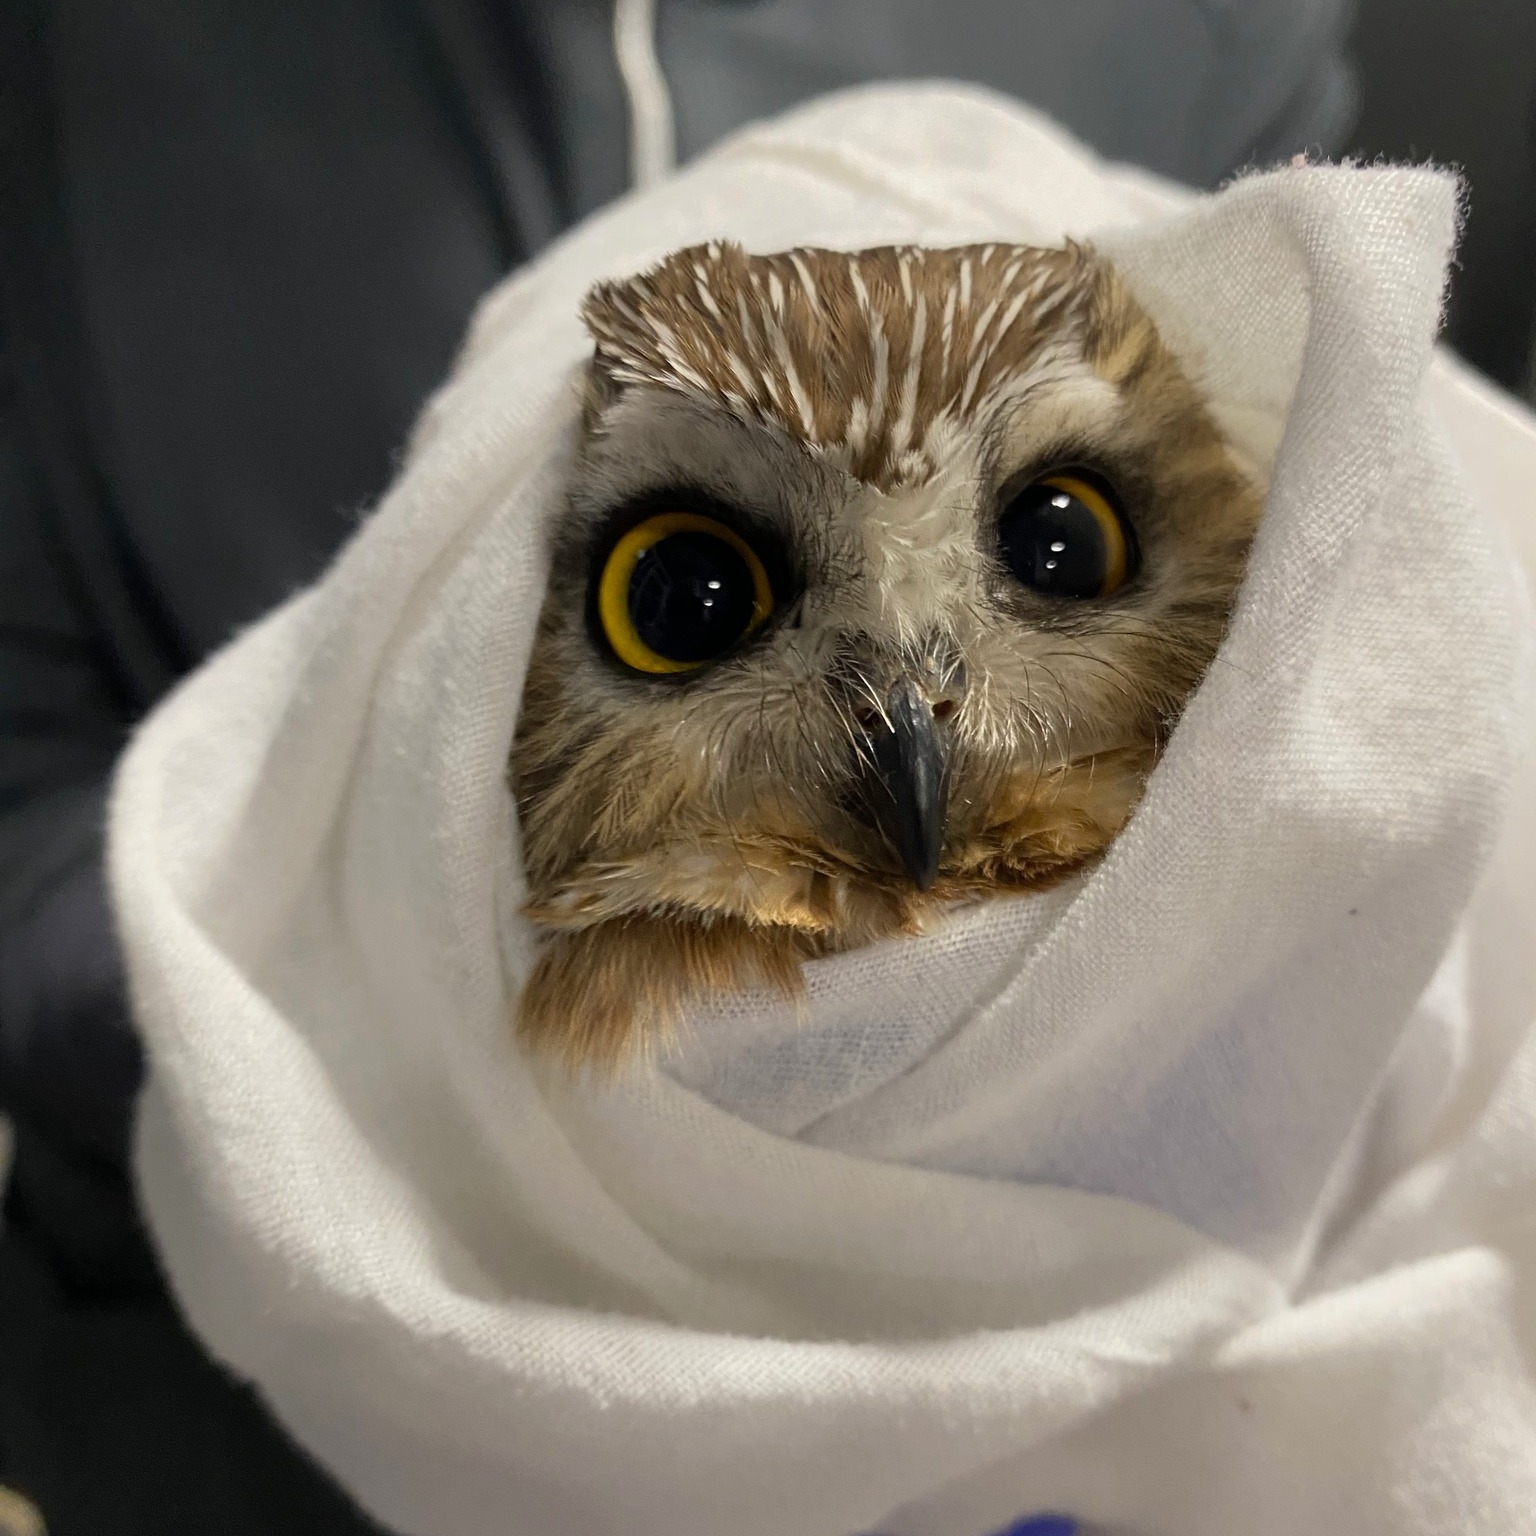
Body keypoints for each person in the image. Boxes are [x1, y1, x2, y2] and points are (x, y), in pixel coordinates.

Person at [0, 2, 1355, 1529]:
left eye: (1058, 545)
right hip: (239, 1405)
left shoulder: (1206, 26)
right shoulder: (72, 59)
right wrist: (365, 986)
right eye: (686, 596)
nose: (911, 721)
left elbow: (1339, 543)